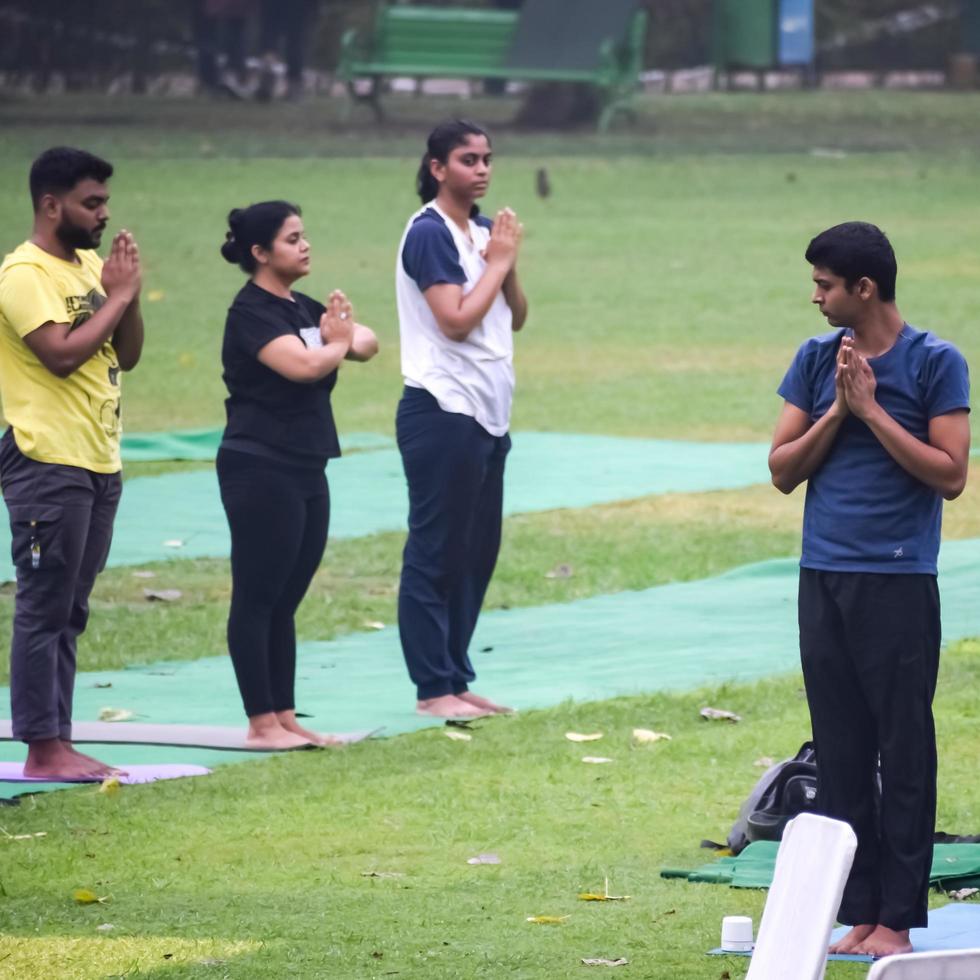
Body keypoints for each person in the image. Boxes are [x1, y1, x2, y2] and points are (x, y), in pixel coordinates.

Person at [768, 221, 970, 958]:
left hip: (897, 582)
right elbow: (783, 467)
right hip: (823, 577)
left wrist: (876, 410)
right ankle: (858, 914)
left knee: (903, 750)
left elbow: (950, 476)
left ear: (865, 288)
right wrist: (838, 411)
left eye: (825, 285)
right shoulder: (816, 360)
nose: (815, 296)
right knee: (842, 752)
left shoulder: (935, 363)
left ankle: (898, 920)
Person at [0, 147, 144, 780]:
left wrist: (126, 297)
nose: (103, 214)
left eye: (105, 201)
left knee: (72, 606)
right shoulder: (23, 274)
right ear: (51, 205)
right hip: (45, 459)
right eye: (92, 202)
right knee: (44, 605)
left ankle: (58, 738)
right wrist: (115, 299)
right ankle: (42, 748)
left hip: (95, 457)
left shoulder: (88, 265)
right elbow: (58, 355)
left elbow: (128, 353)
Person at [217, 200, 378, 749]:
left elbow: (367, 343)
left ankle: (285, 717)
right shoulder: (251, 313)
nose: (304, 245)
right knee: (258, 595)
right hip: (259, 465)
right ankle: (260, 723)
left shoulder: (302, 306)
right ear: (260, 253)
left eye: (304, 235)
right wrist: (335, 341)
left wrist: (342, 335)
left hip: (307, 465)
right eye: (291, 239)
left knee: (286, 597)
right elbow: (305, 365)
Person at [395, 120, 528, 719]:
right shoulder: (429, 234)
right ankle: (432, 689)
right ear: (436, 167)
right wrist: (494, 263)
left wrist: (506, 263)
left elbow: (515, 316)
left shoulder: (478, 232)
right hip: (441, 409)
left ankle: (456, 674)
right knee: (437, 550)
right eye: (468, 159)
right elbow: (453, 320)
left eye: (487, 159)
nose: (481, 169)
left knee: (476, 552)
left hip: (489, 413)